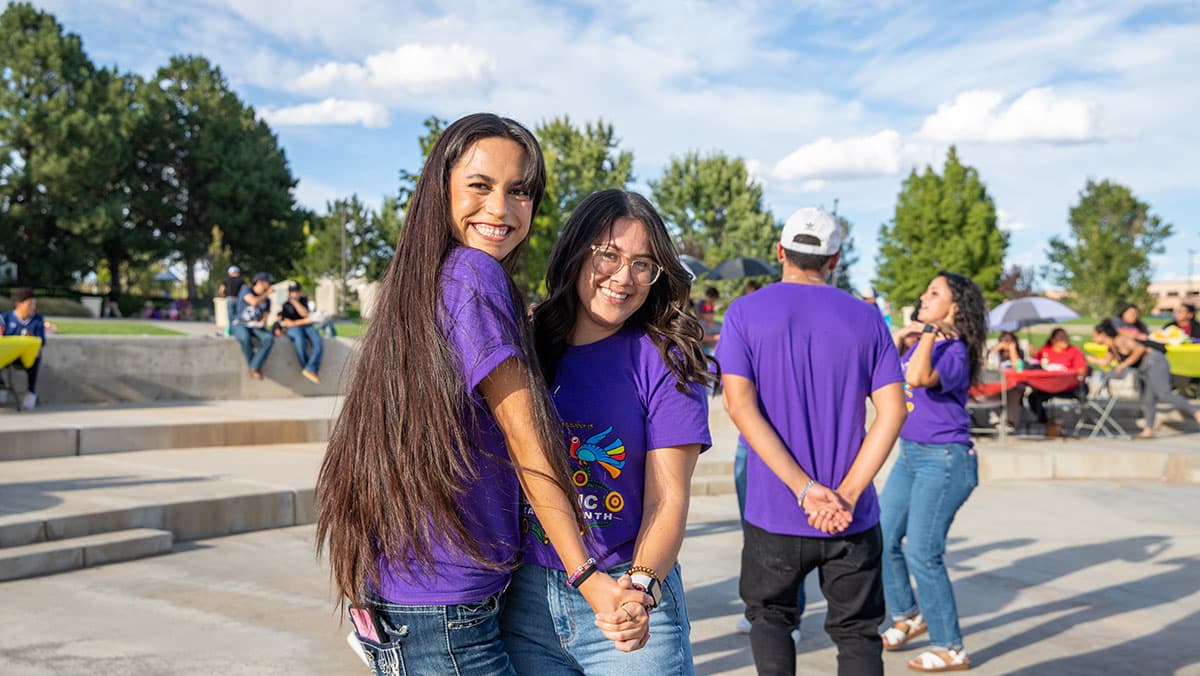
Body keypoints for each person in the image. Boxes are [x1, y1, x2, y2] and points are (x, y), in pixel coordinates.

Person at [314, 114, 649, 676]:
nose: (500, 208)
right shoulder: (473, 275)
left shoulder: (424, 277)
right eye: (480, 185)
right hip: (445, 612)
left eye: (519, 191)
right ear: (441, 186)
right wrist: (589, 578)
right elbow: (527, 441)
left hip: (407, 593)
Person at [500, 189, 713, 673]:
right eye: (609, 256)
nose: (624, 278)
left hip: (625, 593)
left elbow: (668, 498)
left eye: (643, 264)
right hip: (524, 602)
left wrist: (640, 591)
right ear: (576, 251)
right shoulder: (525, 344)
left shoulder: (664, 358)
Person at [718, 207, 908, 676]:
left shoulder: (745, 312)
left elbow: (739, 406)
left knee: (770, 620)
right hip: (852, 516)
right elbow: (894, 409)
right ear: (835, 259)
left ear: (780, 252)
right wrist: (845, 493)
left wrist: (804, 489)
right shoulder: (867, 319)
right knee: (858, 633)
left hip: (774, 510)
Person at [880, 272, 987, 672]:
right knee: (883, 536)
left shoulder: (955, 349)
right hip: (911, 454)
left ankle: (950, 646)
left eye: (935, 293)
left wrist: (925, 332)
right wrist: (908, 334)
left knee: (923, 552)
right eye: (925, 290)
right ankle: (908, 616)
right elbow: (890, 371)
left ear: (954, 307)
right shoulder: (925, 343)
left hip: (944, 460)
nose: (924, 296)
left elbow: (917, 377)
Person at [732, 273, 806, 644]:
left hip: (784, 448)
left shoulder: (791, 344)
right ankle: (761, 609)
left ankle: (787, 616)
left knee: (788, 535)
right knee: (756, 530)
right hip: (751, 445)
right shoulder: (748, 334)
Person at [1088, 319, 1200, 438]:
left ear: (1103, 334)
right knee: (1147, 399)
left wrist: (1124, 364)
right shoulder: (1111, 348)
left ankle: (1196, 412)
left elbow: (1139, 349)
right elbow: (1105, 362)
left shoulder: (1120, 340)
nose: (1093, 339)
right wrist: (1086, 359)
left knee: (1164, 394)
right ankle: (1148, 430)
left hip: (1154, 362)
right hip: (1143, 368)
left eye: (1094, 336)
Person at [0, 288, 57, 410]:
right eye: (30, 304)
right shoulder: (5, 318)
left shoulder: (37, 320)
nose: (33, 307)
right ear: (19, 304)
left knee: (37, 355)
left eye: (34, 304)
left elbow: (40, 341)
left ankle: (31, 392)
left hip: (25, 358)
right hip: (6, 356)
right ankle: (1, 387)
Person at [1027, 327, 1088, 434]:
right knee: (1033, 397)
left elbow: (1081, 370)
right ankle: (1046, 422)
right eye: (1061, 338)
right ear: (1053, 340)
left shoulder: (1074, 351)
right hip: (1048, 386)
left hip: (1069, 387)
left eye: (1066, 337)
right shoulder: (1045, 350)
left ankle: (1058, 426)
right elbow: (1035, 363)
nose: (1064, 340)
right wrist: (1032, 353)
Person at [231, 272, 276, 380]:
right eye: (268, 283)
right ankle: (254, 367)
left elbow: (265, 317)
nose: (269, 286)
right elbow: (253, 301)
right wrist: (266, 294)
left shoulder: (267, 301)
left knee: (269, 338)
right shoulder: (246, 289)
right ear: (260, 282)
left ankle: (253, 366)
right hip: (241, 323)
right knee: (245, 337)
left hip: (255, 326)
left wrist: (262, 323)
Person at [279, 282, 323, 383]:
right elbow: (288, 323)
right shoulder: (285, 305)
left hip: (307, 327)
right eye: (292, 292)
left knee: (318, 341)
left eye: (296, 291)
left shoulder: (303, 301)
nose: (294, 294)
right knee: (299, 340)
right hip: (294, 328)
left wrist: (295, 303)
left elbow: (305, 314)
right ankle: (308, 368)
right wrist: (301, 321)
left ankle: (310, 368)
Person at [985, 330, 1025, 431]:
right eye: (1004, 339)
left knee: (1015, 392)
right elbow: (987, 365)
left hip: (1012, 383)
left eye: (1009, 340)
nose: (1006, 342)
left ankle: (1010, 422)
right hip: (996, 382)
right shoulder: (995, 352)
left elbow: (1018, 367)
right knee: (992, 391)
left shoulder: (1019, 352)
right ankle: (996, 420)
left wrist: (1012, 350)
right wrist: (995, 349)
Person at [218, 265, 243, 330]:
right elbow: (244, 290)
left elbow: (221, 290)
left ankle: (232, 330)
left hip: (230, 299)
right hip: (238, 299)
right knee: (238, 315)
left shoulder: (226, 279)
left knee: (231, 316)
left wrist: (223, 296)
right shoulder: (240, 280)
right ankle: (237, 330)